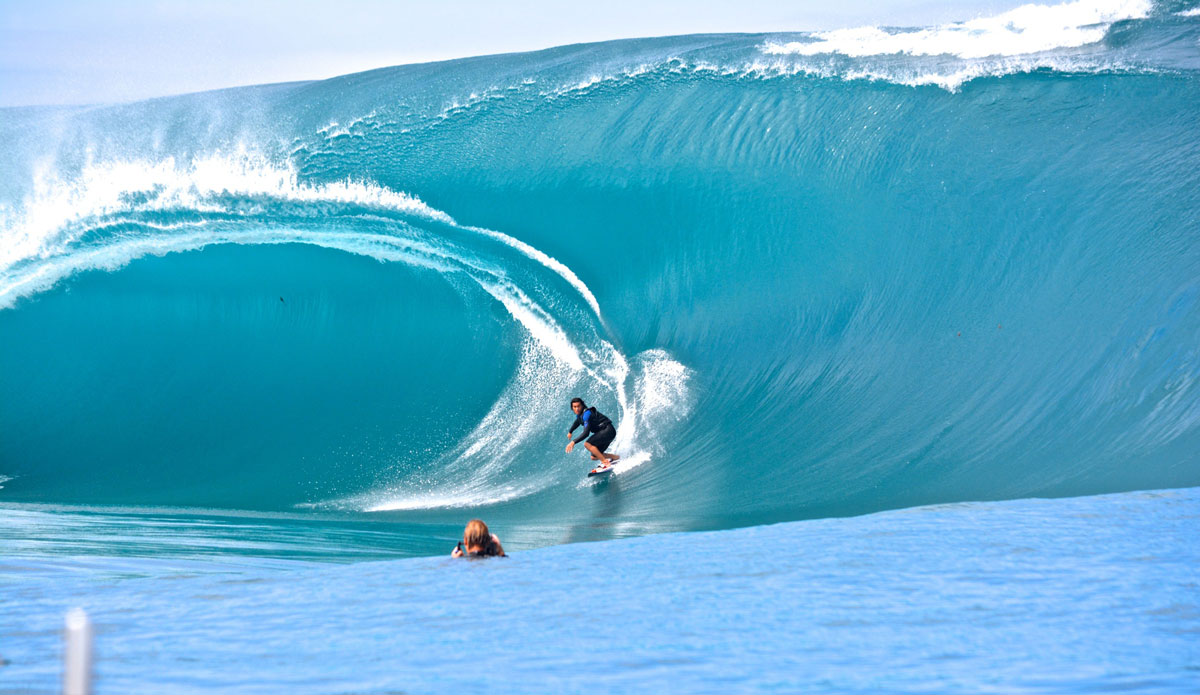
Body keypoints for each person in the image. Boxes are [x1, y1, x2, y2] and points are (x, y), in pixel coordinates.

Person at [565, 397, 620, 469]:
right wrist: (570, 431)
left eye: (578, 406)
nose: (577, 409)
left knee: (587, 444)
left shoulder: (587, 414)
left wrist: (573, 442)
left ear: (582, 405)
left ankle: (605, 462)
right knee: (594, 456)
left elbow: (586, 433)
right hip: (606, 432)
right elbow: (578, 421)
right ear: (572, 408)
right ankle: (615, 457)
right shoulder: (580, 415)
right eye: (574, 407)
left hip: (607, 430)